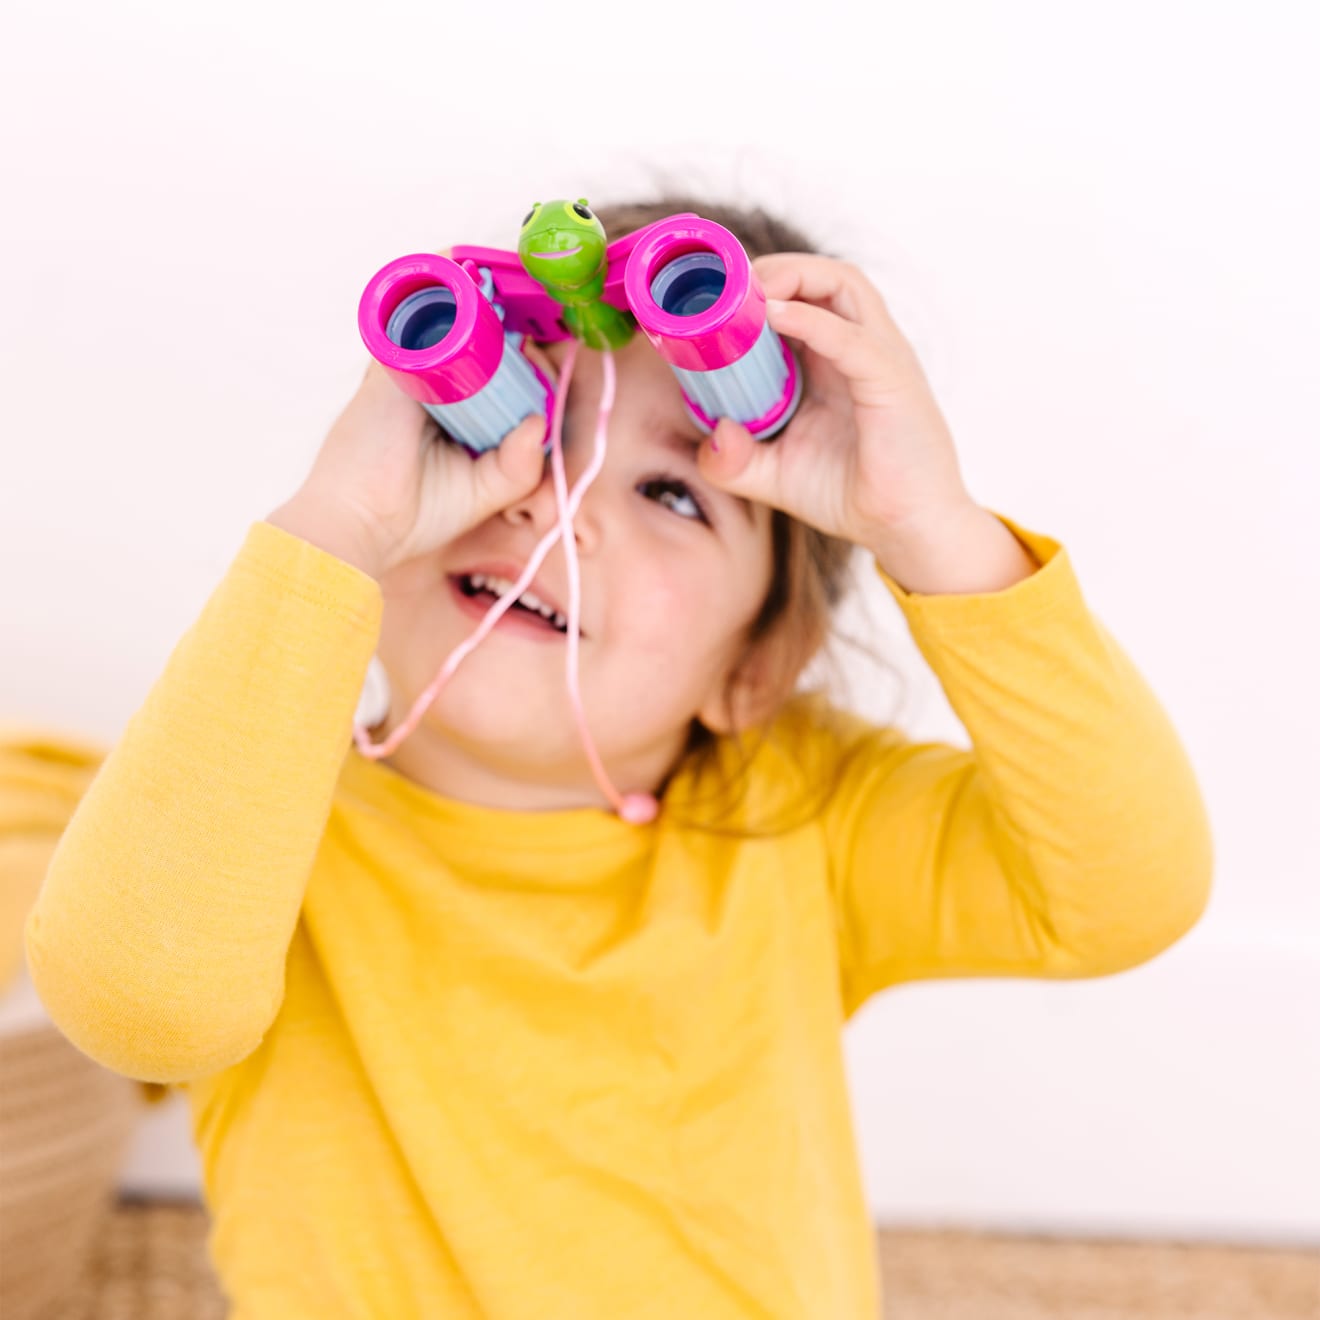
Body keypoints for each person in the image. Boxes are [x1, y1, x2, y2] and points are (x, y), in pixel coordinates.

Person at [19, 195, 1213, 1318]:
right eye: (512, 431)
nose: (556, 509)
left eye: (673, 494)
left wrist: (933, 528)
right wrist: (331, 527)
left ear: (756, 670)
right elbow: (136, 1007)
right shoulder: (252, 826)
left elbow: (1124, 894)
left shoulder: (799, 813)